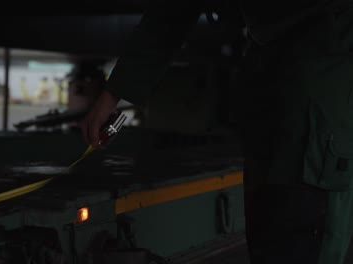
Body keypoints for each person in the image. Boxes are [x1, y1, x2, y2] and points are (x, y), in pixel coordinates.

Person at [81, 0, 353, 263]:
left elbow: (172, 12)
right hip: (282, 95)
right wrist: (114, 93)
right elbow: (172, 11)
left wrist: (113, 94)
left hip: (314, 104)